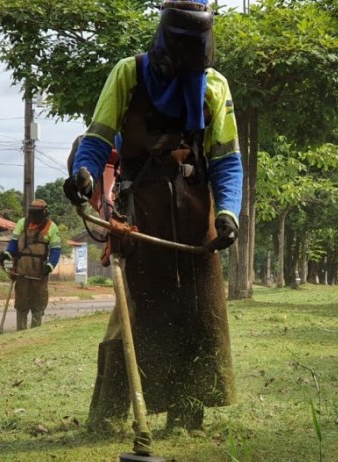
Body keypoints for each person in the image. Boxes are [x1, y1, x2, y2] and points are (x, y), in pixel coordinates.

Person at [64, 0, 243, 431]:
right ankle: (107, 416)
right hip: (138, 213)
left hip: (195, 217)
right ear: (163, 41)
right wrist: (83, 175)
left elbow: (226, 161)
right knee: (136, 312)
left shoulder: (215, 87)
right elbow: (96, 138)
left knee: (197, 312)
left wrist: (228, 214)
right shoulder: (129, 73)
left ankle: (187, 415)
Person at [3, 199, 61, 330]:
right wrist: (7, 254)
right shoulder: (22, 223)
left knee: (38, 302)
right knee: (21, 302)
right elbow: (13, 243)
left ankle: (36, 329)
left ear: (44, 212)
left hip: (39, 272)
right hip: (21, 270)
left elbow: (56, 250)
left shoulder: (52, 227)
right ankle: (21, 330)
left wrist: (50, 266)